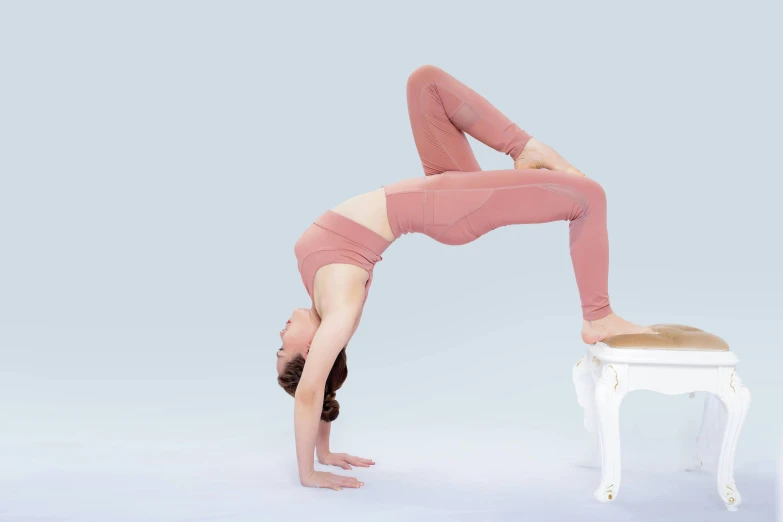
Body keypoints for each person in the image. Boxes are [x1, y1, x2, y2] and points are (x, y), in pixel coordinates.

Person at [276, 64, 658, 491]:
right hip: (448, 209)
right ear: (309, 349)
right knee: (589, 196)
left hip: (444, 190)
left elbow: (320, 388)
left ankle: (525, 149)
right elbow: (311, 390)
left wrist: (325, 450)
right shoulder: (339, 311)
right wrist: (309, 472)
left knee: (424, 83)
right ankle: (598, 315)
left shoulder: (317, 291)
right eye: (280, 347)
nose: (279, 332)